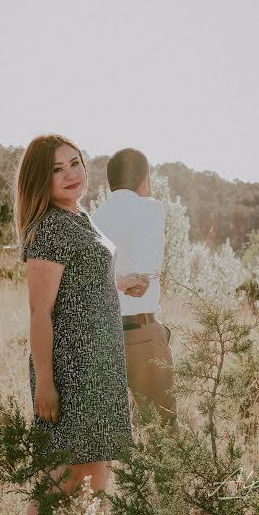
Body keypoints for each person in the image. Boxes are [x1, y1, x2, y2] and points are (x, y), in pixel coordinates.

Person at [14, 134, 135, 512]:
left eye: (74, 163)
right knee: (65, 479)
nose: (70, 174)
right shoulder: (52, 227)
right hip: (72, 370)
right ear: (40, 179)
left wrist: (119, 283)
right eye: (56, 169)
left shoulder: (80, 216)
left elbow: (79, 280)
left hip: (101, 368)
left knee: (96, 478)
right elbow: (40, 312)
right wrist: (46, 384)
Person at [92, 148, 178, 429]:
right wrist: (141, 277)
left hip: (102, 339)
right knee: (164, 434)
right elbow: (149, 258)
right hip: (142, 334)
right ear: (145, 179)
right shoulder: (150, 207)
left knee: (108, 435)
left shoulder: (92, 218)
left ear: (109, 184)